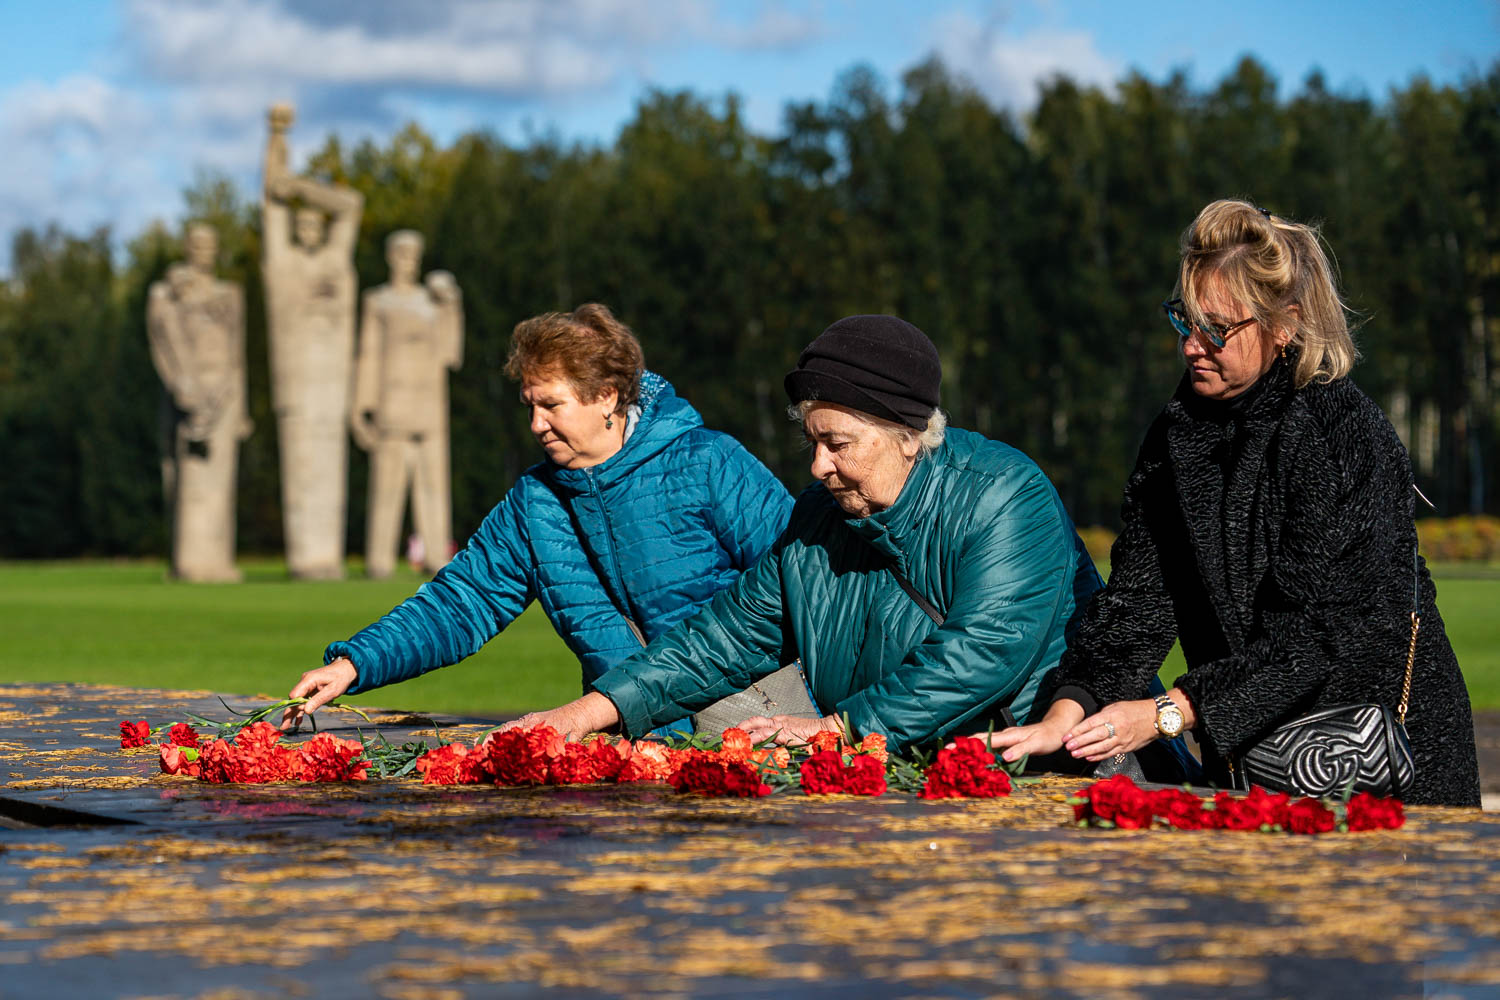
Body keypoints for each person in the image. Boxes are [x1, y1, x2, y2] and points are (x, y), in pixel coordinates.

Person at [983, 199, 1480, 808]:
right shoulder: (1175, 434)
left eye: (1217, 328)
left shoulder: (1342, 433)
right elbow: (1138, 601)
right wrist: (1070, 707)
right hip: (1251, 760)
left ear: (1285, 324)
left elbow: (1319, 636)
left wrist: (1168, 714)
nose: (1193, 345)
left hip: (1385, 764)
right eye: (1182, 320)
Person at [503, 315, 1102, 755]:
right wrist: (584, 713)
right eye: (812, 442)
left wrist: (844, 729)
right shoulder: (819, 518)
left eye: (837, 444)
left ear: (908, 434)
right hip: (906, 786)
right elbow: (721, 639)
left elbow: (984, 651)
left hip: (1048, 773)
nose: (817, 467)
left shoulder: (1006, 494)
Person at [281, 304, 793, 731]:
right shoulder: (534, 501)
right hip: (628, 747)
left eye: (551, 404)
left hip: (756, 729)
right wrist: (356, 663)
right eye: (529, 405)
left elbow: (802, 584)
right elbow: (462, 602)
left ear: (607, 396)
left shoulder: (709, 462)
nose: (535, 424)